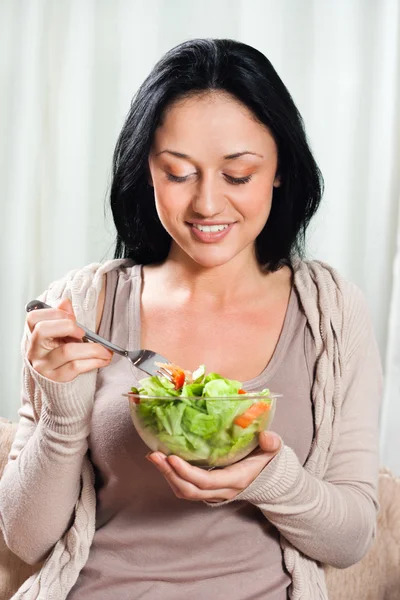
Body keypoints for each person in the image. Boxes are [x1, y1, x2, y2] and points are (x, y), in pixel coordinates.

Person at [0, 38, 382, 600]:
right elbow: (25, 540)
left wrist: (268, 480)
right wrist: (61, 419)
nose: (207, 204)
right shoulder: (81, 306)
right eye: (178, 173)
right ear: (147, 172)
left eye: (238, 175)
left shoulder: (330, 312)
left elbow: (352, 540)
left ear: (279, 169)